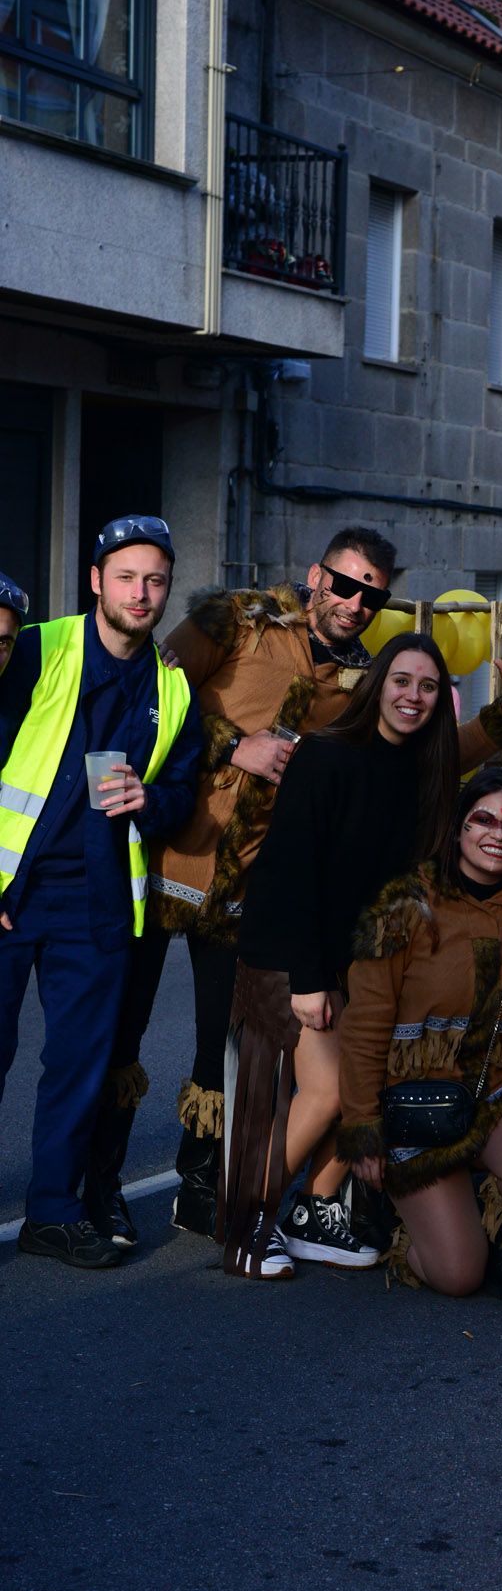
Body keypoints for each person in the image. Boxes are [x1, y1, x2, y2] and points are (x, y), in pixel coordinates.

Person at [84, 528, 405, 1250]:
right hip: (165, 852)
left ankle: (199, 1184)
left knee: (217, 1050)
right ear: (318, 575)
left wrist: (501, 720)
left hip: (247, 887)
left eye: (372, 595)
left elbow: (402, 754)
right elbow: (154, 688)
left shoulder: (362, 681)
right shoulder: (240, 618)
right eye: (347, 585)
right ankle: (98, 1185)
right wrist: (235, 744)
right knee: (120, 1030)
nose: (356, 604)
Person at [221, 629, 502, 1278]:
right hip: (292, 953)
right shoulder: (324, 755)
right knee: (324, 1092)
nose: (413, 695)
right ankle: (246, 1222)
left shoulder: (415, 768)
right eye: (402, 680)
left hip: (352, 957)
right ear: (378, 684)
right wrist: (309, 980)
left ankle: (315, 1209)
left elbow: (459, 751)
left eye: (429, 687)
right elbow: (290, 872)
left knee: (363, 1083)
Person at [0, 518, 200, 1268]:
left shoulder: (174, 685)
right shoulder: (37, 647)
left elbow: (184, 784)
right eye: (126, 577)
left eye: (154, 580)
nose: (141, 593)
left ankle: (53, 1212)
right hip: (10, 891)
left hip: (100, 902)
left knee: (80, 1065)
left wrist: (151, 800)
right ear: (95, 581)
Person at [335, 768, 502, 1304]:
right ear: (458, 830)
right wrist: (362, 1128)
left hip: (496, 1088)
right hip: (415, 1103)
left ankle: (500, 1232)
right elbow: (363, 1027)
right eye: (484, 820)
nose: (498, 834)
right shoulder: (407, 907)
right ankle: (400, 1213)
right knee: (457, 1275)